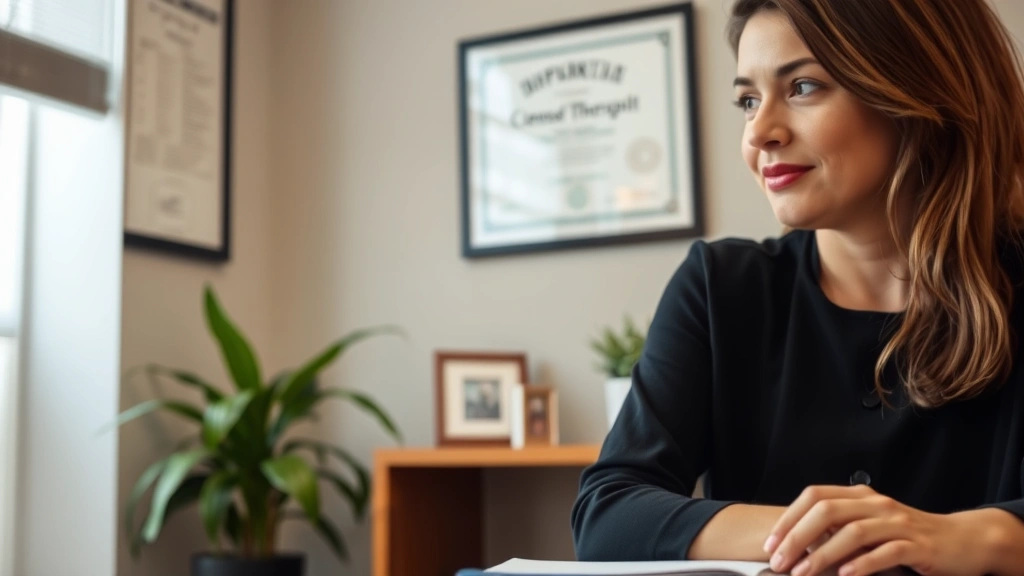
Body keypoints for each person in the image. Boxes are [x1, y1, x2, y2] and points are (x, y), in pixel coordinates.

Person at [571, 1, 1024, 575]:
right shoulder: (720, 288)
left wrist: (969, 538)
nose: (760, 132)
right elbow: (608, 511)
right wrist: (817, 531)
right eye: (748, 101)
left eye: (804, 86)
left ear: (919, 91)